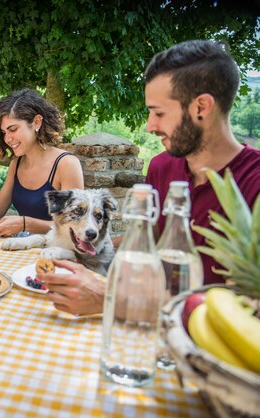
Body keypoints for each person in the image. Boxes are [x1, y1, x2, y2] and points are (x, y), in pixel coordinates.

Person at [38, 40, 260, 316]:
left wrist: (110, 298)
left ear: (201, 107)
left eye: (159, 113)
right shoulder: (162, 167)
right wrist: (75, 251)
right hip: (137, 326)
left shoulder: (254, 183)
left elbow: (247, 311)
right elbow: (144, 243)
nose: (150, 126)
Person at [0, 88, 84, 237]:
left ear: (37, 122)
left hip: (55, 253)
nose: (7, 139)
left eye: (13, 129)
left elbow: (74, 225)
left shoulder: (66, 164)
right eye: (5, 132)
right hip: (23, 248)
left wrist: (25, 224)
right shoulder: (17, 163)